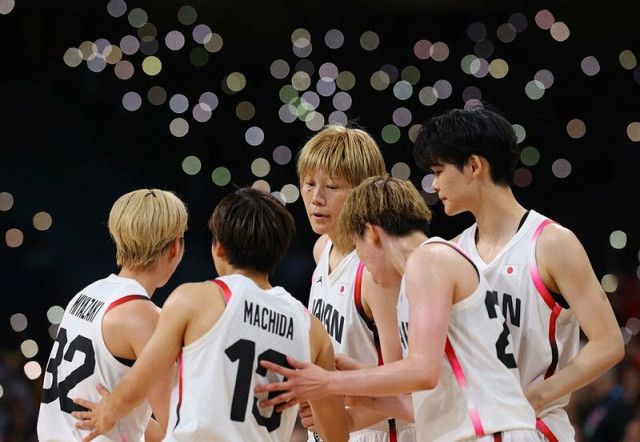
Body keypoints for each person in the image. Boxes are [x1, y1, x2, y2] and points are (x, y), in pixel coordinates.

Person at [255, 176, 540, 441]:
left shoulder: (430, 259)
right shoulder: (420, 275)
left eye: (356, 245)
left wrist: (329, 381)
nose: (361, 261)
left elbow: (422, 372)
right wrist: (351, 391)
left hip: (494, 433)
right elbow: (428, 405)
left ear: (371, 233)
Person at [413, 106, 625, 441]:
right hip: (474, 428)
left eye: (439, 171)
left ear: (474, 166)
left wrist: (536, 397)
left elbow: (609, 342)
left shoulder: (551, 243)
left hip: (534, 427)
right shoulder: (451, 253)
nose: (435, 184)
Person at [71, 187, 350, 442]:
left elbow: (139, 382)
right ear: (279, 252)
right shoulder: (312, 330)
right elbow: (337, 435)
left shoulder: (195, 300)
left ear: (218, 247)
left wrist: (107, 413)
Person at [37, 188, 188, 441]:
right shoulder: (146, 318)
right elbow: (179, 428)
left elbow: (132, 425)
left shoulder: (87, 293)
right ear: (175, 247)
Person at [297, 125, 414, 441]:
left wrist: (347, 420)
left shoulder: (377, 271)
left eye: (332, 186)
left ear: (363, 191)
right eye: (309, 184)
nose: (317, 198)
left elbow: (405, 384)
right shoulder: (322, 249)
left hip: (378, 432)